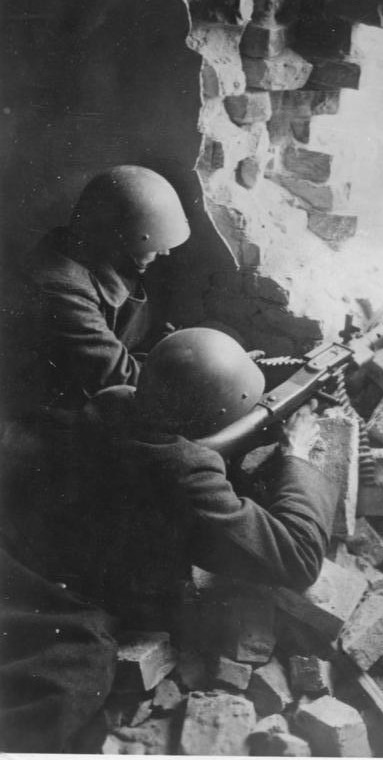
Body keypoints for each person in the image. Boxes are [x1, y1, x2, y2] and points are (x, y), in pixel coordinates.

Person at [0, 327, 337, 751]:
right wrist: (298, 455)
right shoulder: (185, 474)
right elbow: (299, 557)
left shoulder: (115, 399)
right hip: (39, 585)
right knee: (78, 668)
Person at [2, 164, 190, 417]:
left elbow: (138, 336)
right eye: (153, 243)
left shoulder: (109, 257)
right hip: (41, 416)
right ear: (118, 238)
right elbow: (120, 379)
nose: (165, 251)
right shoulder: (61, 290)